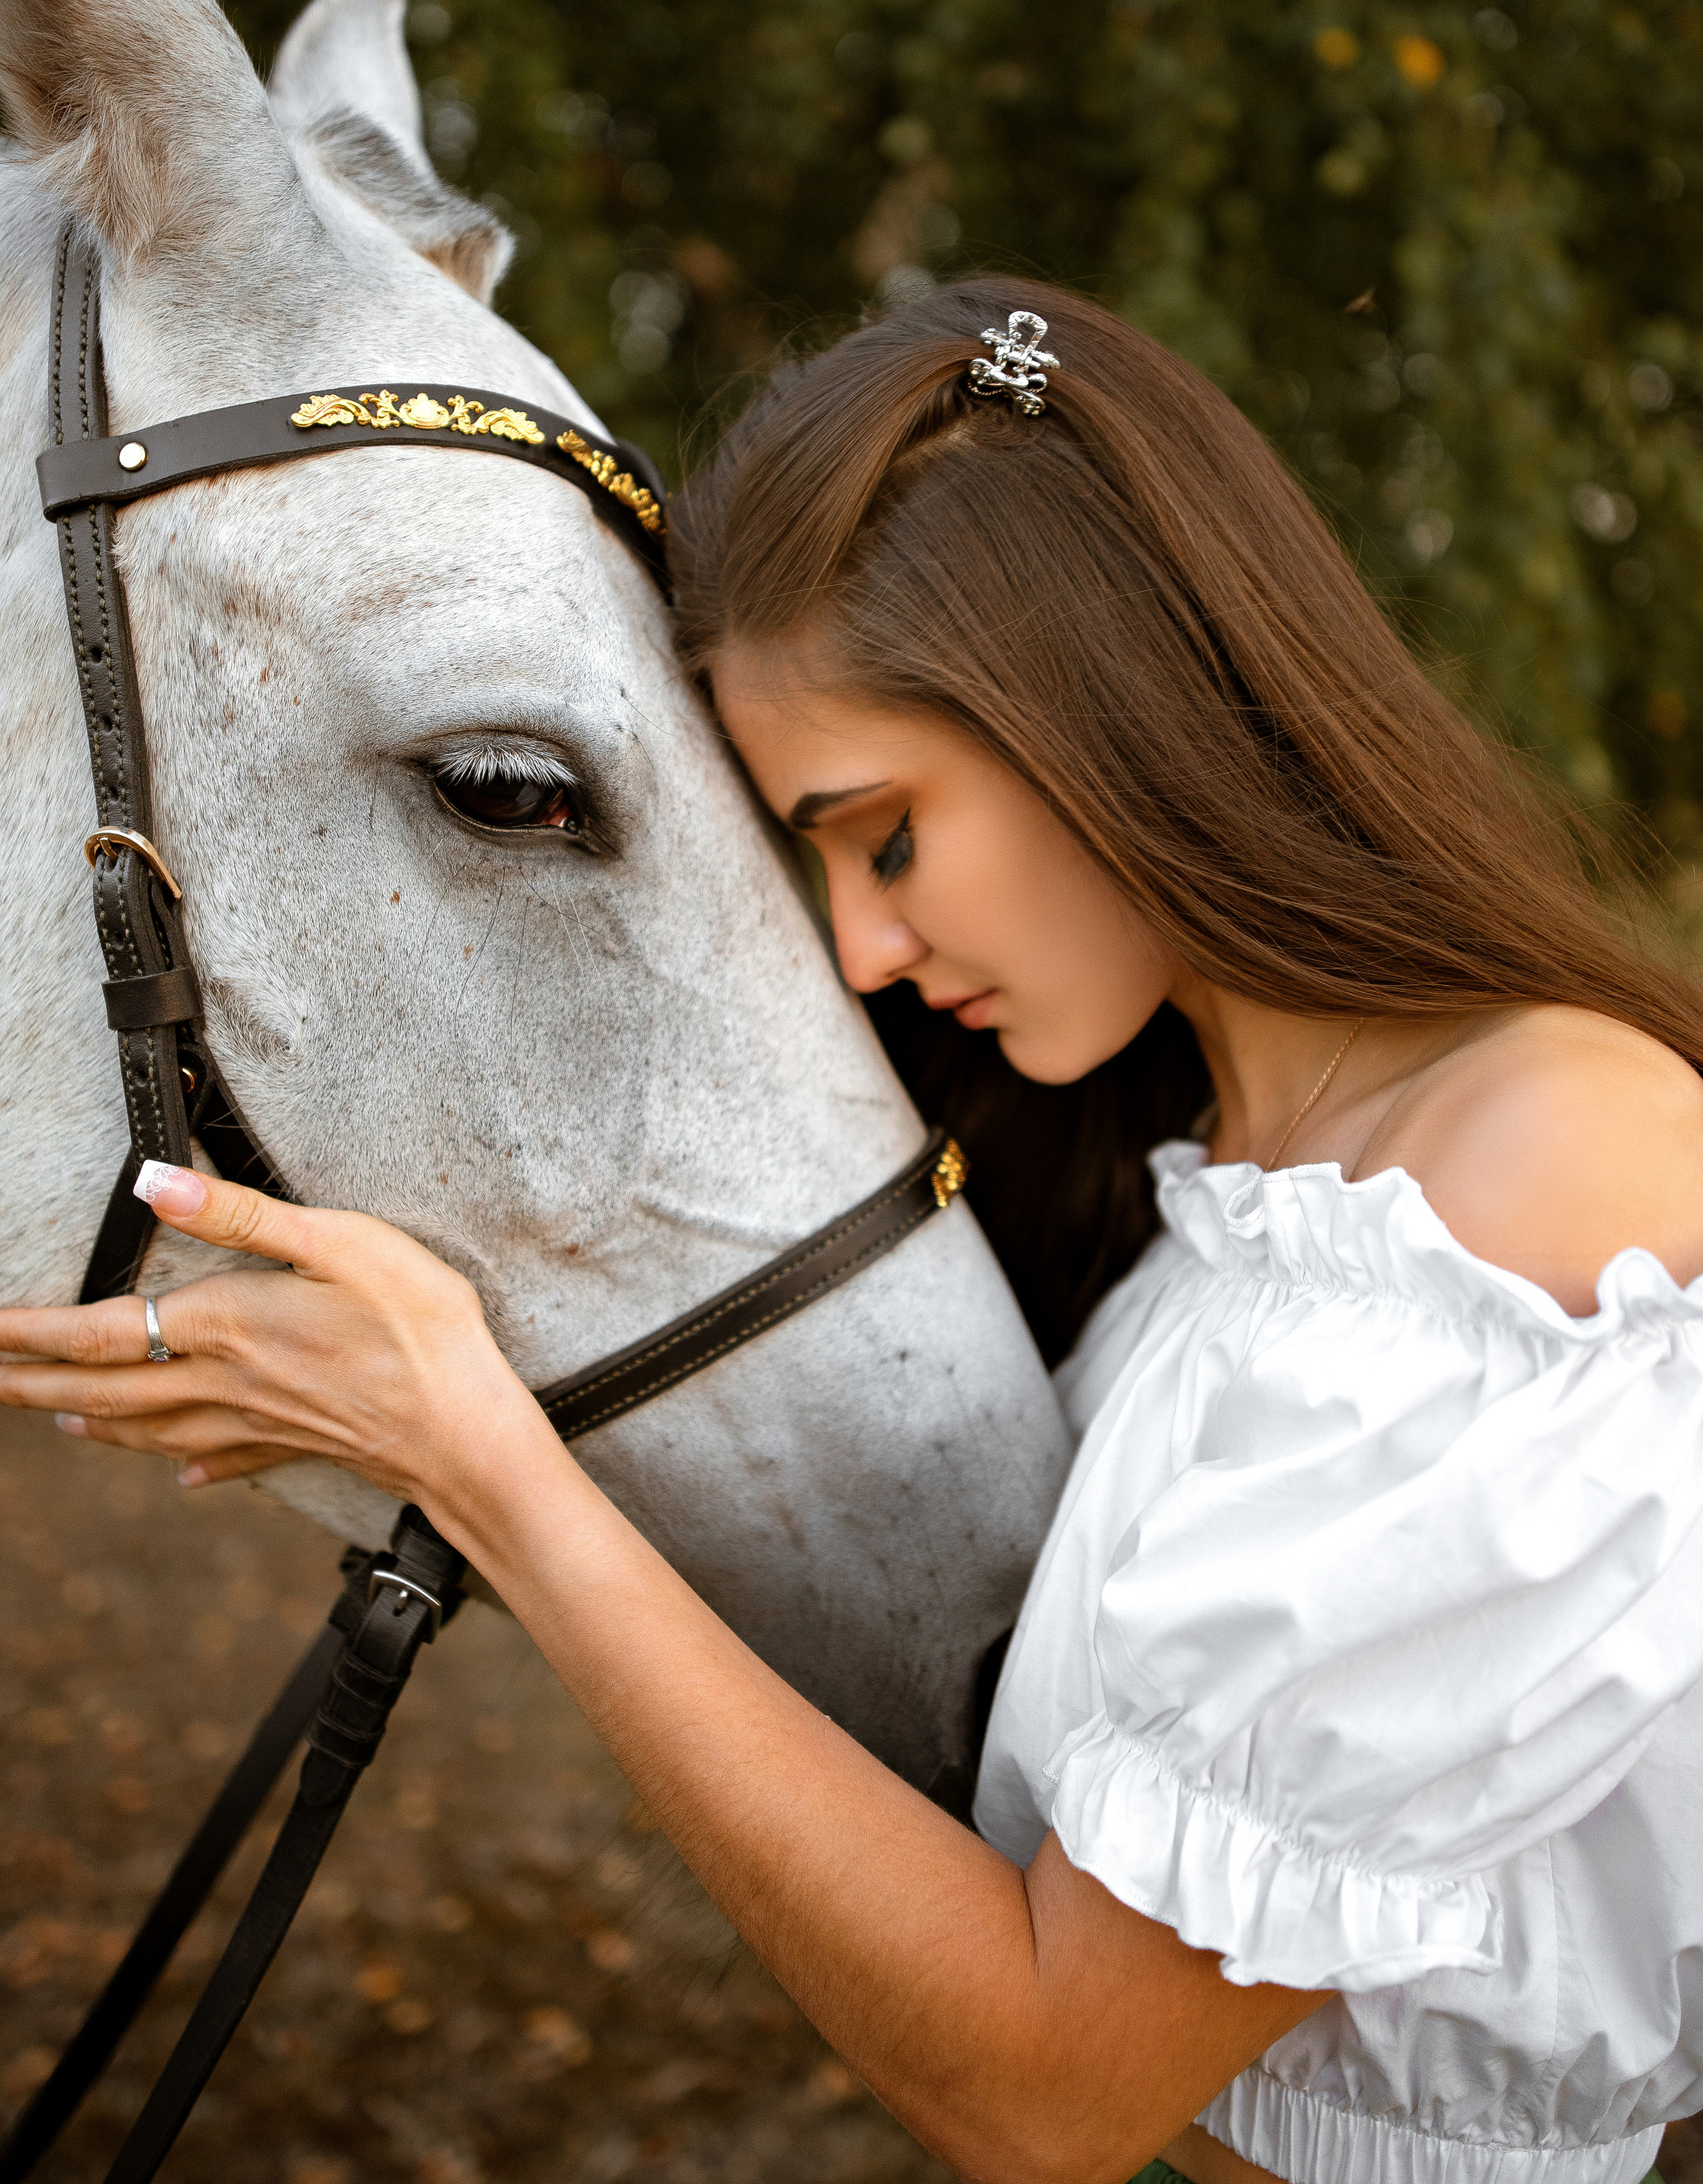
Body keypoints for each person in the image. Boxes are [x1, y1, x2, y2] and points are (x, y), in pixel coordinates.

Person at [5, 278, 1703, 2184]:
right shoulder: (1220, 1168)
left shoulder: (1543, 1178)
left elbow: (1050, 2084)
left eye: (883, 832)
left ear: (1114, 707)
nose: (868, 945)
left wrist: (478, 1454)